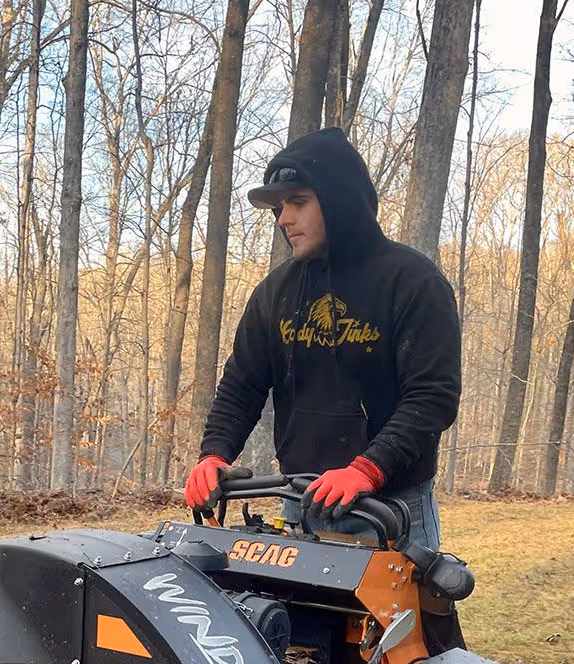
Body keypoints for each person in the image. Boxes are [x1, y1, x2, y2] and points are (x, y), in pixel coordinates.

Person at [184, 127, 461, 552]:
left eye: (298, 202)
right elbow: (242, 384)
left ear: (340, 201)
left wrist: (368, 469)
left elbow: (431, 399)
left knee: (403, 621)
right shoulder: (275, 293)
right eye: (279, 207)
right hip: (300, 504)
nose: (283, 218)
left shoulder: (412, 282)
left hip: (389, 510)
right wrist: (214, 454)